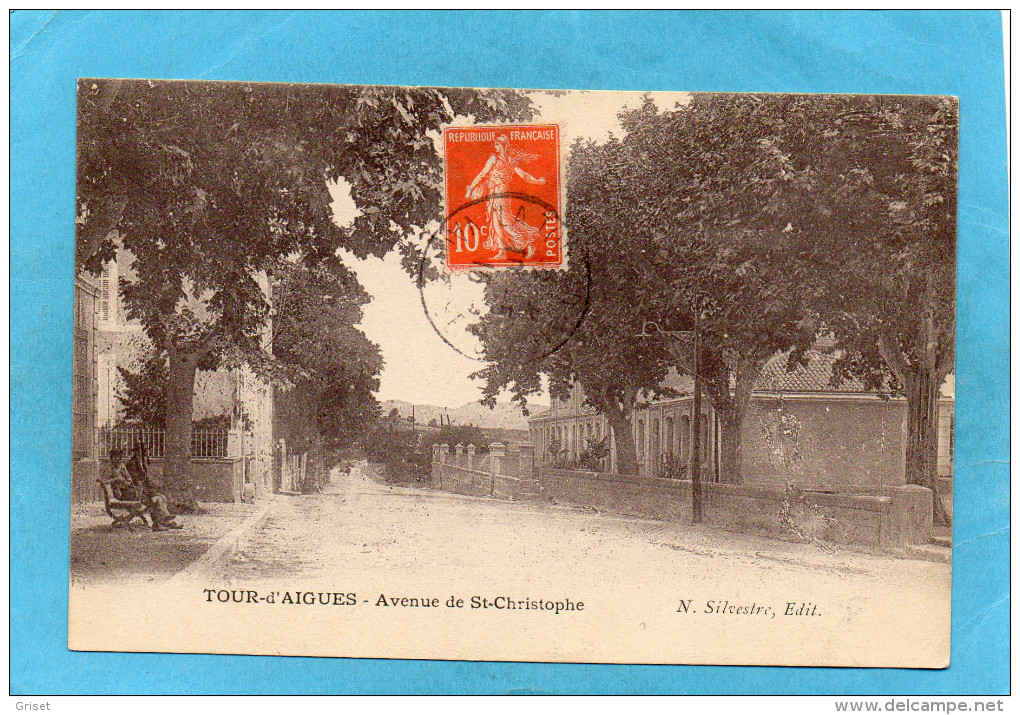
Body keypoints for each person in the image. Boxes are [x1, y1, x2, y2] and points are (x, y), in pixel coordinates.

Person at [465, 134, 547, 261]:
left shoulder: (495, 159)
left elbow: (482, 174)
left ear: (503, 145)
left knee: (505, 221)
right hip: (496, 191)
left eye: (497, 144)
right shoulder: (510, 160)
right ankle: (501, 251)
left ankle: (527, 243)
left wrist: (471, 188)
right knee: (496, 221)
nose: (495, 146)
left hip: (499, 191)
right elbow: (524, 175)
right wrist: (537, 181)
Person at [128, 440, 183, 531]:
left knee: (162, 497)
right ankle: (158, 522)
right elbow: (136, 482)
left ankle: (165, 520)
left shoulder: (141, 464)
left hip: (142, 490)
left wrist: (152, 488)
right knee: (155, 500)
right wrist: (149, 491)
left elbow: (146, 480)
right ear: (138, 452)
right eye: (144, 451)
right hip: (136, 492)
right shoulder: (132, 464)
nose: (146, 453)